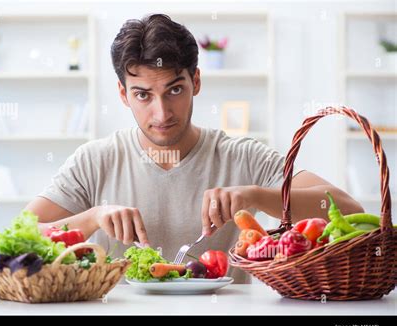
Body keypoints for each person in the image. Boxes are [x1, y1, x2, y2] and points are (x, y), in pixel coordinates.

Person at [25, 14, 363, 282]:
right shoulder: (94, 160)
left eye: (174, 90)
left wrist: (258, 197)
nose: (161, 113)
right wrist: (92, 217)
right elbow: (24, 234)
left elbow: (347, 208)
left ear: (196, 82)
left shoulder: (242, 156)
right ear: (123, 94)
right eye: (143, 94)